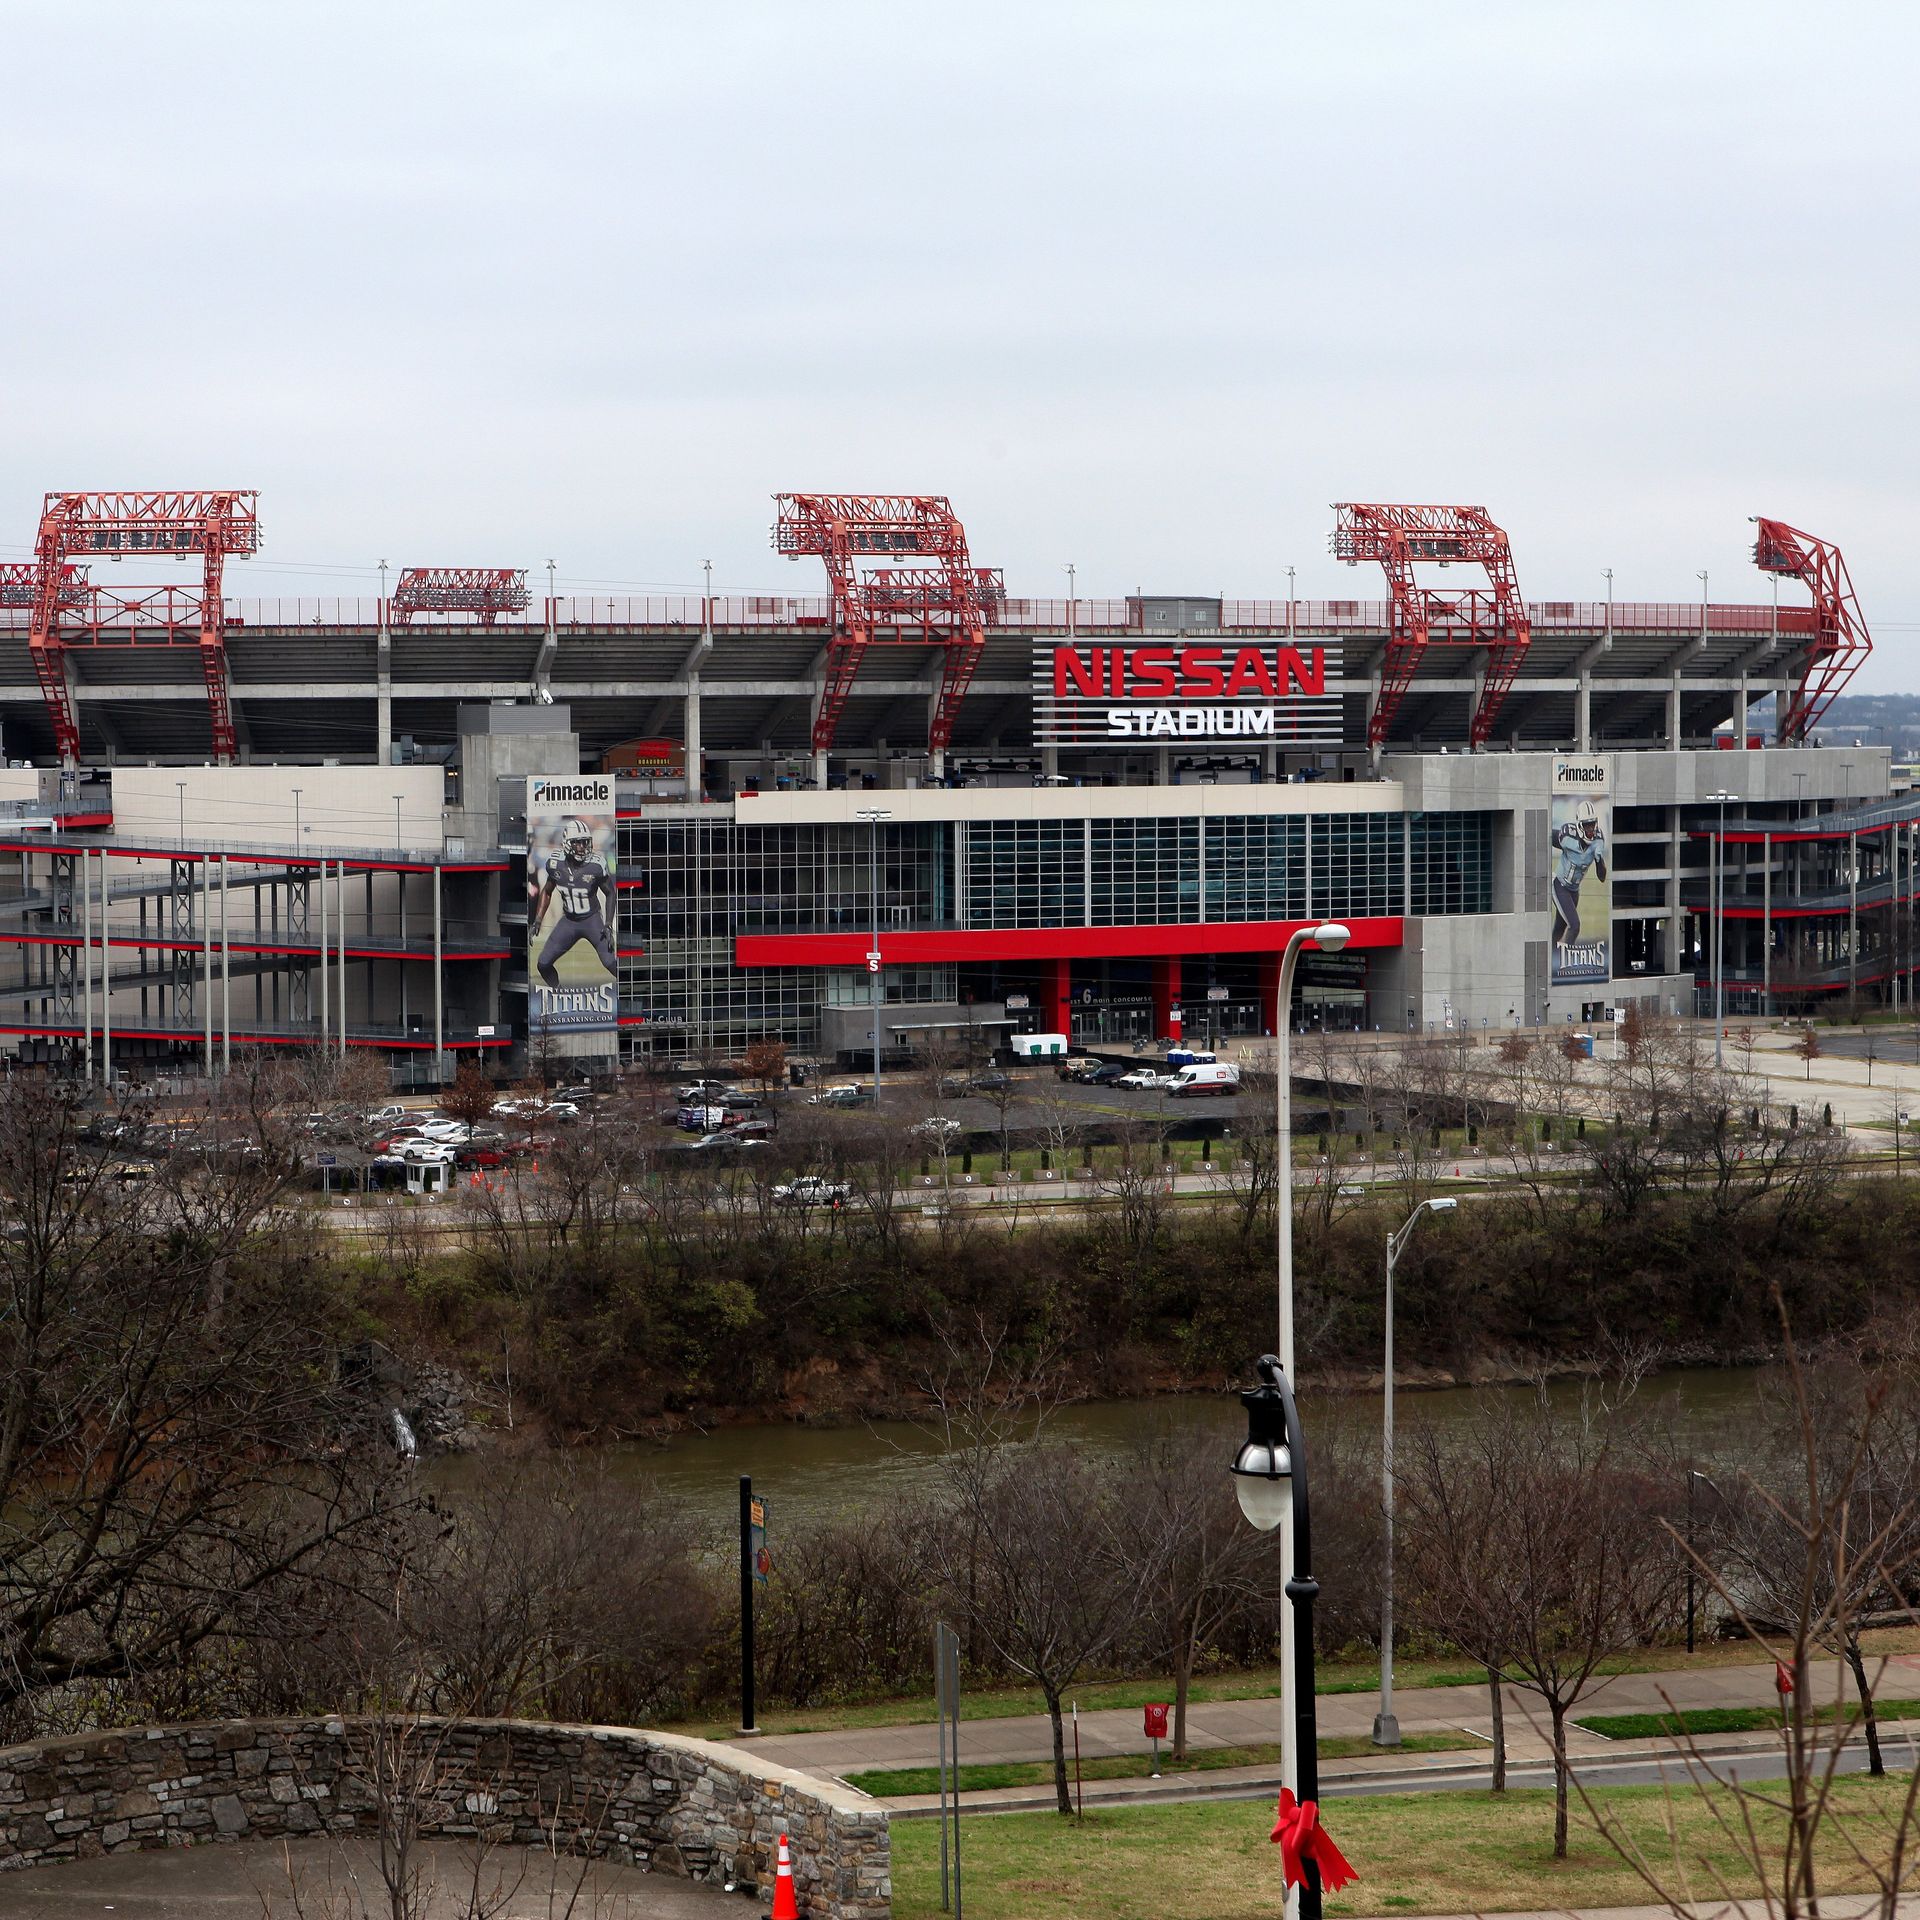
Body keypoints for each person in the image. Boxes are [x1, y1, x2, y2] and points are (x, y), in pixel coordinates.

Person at [531, 817, 617, 987]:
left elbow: (610, 893)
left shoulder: (596, 865)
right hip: (569, 921)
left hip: (592, 920)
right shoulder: (555, 864)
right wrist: (538, 920)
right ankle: (558, 993)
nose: (582, 847)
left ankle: (628, 993)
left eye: (585, 842)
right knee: (543, 964)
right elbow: (547, 891)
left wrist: (607, 924)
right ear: (566, 843)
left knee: (610, 963)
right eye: (577, 843)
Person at [1550, 799, 1608, 947]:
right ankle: (1566, 960)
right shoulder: (1568, 837)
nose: (1590, 829)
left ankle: (1549, 954)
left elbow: (1602, 877)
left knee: (1560, 927)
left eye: (1592, 824)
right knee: (1574, 926)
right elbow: (1548, 836)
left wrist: (1599, 860)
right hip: (1560, 885)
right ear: (1579, 825)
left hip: (1574, 891)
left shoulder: (1598, 841)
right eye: (1586, 825)